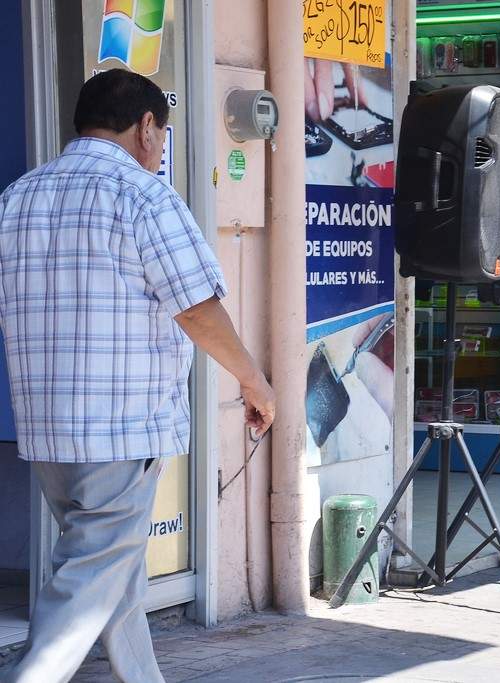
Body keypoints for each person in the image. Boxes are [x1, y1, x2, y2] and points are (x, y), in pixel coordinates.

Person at [0, 69, 275, 683]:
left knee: (109, 572)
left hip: (46, 432)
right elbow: (198, 309)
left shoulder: (17, 198)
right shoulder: (143, 196)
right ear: (146, 127)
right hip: (120, 432)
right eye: (163, 133)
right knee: (85, 587)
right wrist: (253, 383)